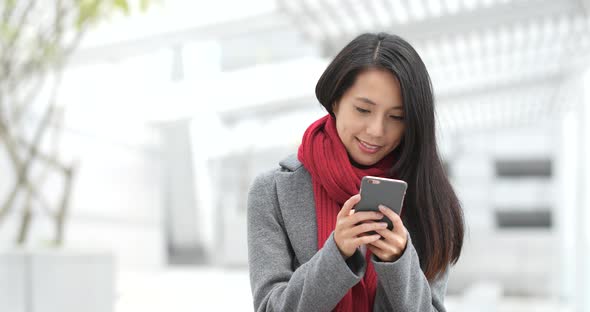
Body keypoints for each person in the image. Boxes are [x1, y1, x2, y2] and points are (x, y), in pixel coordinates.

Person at [247, 32, 465, 312]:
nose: (376, 131)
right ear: (335, 101)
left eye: (397, 117)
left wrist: (398, 263)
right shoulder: (274, 192)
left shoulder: (428, 197)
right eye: (363, 110)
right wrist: (336, 255)